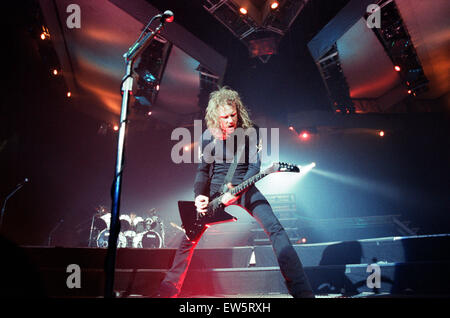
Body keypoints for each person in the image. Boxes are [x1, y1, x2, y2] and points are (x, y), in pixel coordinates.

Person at [157, 86, 314, 298]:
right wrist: (200, 196)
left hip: (245, 185)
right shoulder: (207, 137)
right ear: (215, 117)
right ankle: (167, 291)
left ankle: (302, 292)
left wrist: (239, 190)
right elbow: (202, 171)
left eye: (233, 115)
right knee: (188, 237)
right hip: (215, 190)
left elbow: (254, 167)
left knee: (275, 228)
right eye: (225, 117)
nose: (230, 120)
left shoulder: (251, 131)